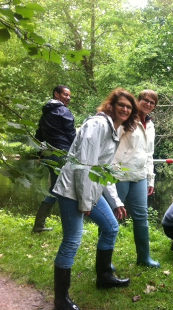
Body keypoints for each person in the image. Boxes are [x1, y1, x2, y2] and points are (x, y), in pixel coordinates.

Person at [51, 88, 137, 310]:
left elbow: (103, 172)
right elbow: (84, 165)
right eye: (122, 105)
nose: (125, 109)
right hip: (73, 190)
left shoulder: (114, 130)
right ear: (111, 105)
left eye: (129, 107)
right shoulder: (97, 125)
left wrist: (116, 201)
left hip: (90, 190)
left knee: (110, 227)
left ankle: (104, 277)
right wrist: (86, 202)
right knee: (72, 240)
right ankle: (61, 300)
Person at [104, 89, 160, 268]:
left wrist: (150, 179)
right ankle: (105, 261)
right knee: (112, 218)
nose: (148, 104)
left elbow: (149, 154)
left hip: (140, 177)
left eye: (152, 102)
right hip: (120, 175)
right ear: (138, 100)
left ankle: (144, 258)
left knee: (141, 218)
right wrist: (110, 174)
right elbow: (111, 146)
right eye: (145, 100)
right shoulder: (127, 118)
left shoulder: (150, 125)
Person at [33, 85, 76, 232]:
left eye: (69, 95)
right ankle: (71, 227)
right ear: (56, 94)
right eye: (65, 94)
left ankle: (39, 224)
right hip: (62, 155)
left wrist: (39, 155)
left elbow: (38, 136)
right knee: (66, 189)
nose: (68, 98)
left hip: (49, 155)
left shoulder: (45, 113)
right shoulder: (63, 111)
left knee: (56, 189)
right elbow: (72, 135)